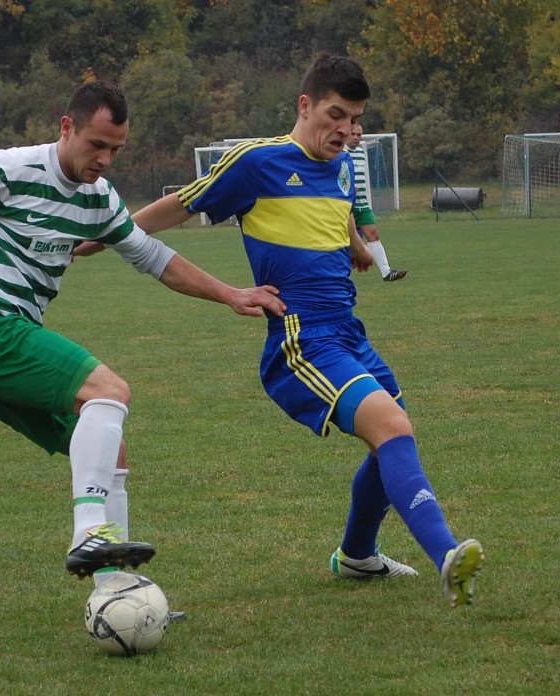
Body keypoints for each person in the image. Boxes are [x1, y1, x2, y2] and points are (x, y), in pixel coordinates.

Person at [0, 81, 286, 593]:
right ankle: (88, 533)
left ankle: (115, 593)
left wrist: (231, 294)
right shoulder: (7, 169)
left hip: (1, 340)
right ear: (66, 128)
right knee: (110, 391)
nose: (104, 159)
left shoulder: (98, 200)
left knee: (110, 447)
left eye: (115, 150)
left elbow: (152, 257)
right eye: (96, 145)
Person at [128, 54, 484, 608]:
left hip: (348, 331)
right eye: (335, 115)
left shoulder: (342, 164)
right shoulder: (257, 162)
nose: (344, 130)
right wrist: (104, 234)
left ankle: (358, 557)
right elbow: (181, 206)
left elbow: (335, 213)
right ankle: (447, 557)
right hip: (300, 338)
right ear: (305, 105)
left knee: (393, 435)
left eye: (354, 119)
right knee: (390, 425)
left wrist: (358, 247)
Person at [346, 123, 406, 281]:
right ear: (345, 133)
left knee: (373, 233)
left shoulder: (361, 152)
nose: (356, 138)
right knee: (344, 245)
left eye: (359, 135)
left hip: (362, 205)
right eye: (353, 134)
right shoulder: (338, 153)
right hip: (345, 206)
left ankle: (386, 272)